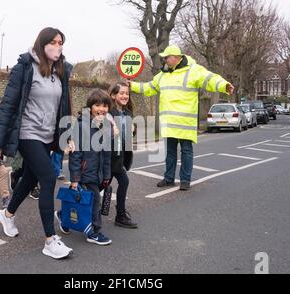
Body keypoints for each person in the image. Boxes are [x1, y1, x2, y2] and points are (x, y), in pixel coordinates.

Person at [0, 27, 74, 259]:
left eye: (61, 42)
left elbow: (64, 105)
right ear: (42, 42)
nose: (58, 46)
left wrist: (66, 133)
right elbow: (7, 105)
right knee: (48, 177)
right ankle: (50, 240)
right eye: (54, 42)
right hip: (28, 133)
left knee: (30, 177)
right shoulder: (25, 68)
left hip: (48, 135)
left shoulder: (61, 71)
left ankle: (7, 214)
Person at [129, 45, 234, 191]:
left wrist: (224, 85)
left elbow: (209, 79)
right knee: (170, 152)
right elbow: (148, 87)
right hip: (169, 122)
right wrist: (131, 85)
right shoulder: (162, 75)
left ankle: (185, 180)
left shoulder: (193, 70)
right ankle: (169, 178)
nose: (164, 59)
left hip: (185, 122)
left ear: (177, 57)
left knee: (186, 151)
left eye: (167, 57)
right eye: (164, 57)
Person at [55, 89, 113, 245]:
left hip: (99, 173)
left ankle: (63, 216)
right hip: (86, 173)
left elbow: (107, 154)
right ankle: (94, 232)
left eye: (105, 106)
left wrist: (107, 175)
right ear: (90, 107)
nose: (101, 109)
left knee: (83, 201)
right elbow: (75, 155)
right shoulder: (80, 126)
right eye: (97, 105)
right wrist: (75, 178)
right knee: (94, 202)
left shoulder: (106, 126)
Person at [106, 82, 137, 229]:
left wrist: (133, 131)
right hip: (108, 158)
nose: (125, 96)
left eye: (127, 93)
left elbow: (126, 137)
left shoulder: (128, 113)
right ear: (113, 95)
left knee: (123, 182)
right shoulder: (108, 112)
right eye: (121, 93)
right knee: (96, 188)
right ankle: (68, 212)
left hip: (118, 159)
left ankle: (120, 215)